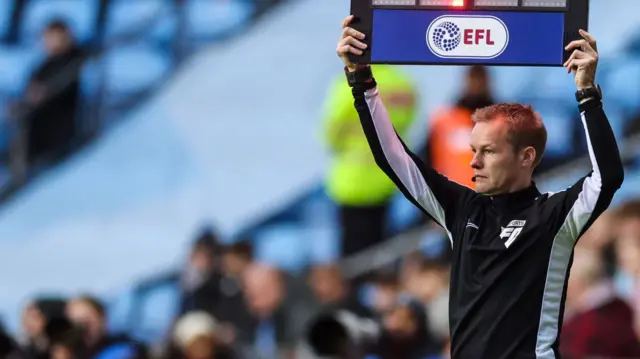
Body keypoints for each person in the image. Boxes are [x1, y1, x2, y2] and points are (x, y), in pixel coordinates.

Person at [336, 15, 624, 359]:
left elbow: (607, 176)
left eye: (488, 151)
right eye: (474, 150)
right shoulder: (462, 209)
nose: (474, 162)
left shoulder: (555, 215)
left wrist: (587, 93)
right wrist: (361, 80)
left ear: (526, 157)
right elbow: (394, 159)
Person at [322, 64, 418, 257]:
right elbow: (409, 122)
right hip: (392, 180)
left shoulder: (346, 85)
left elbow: (329, 133)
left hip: (354, 184)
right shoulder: (402, 84)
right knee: (383, 252)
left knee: (355, 258)